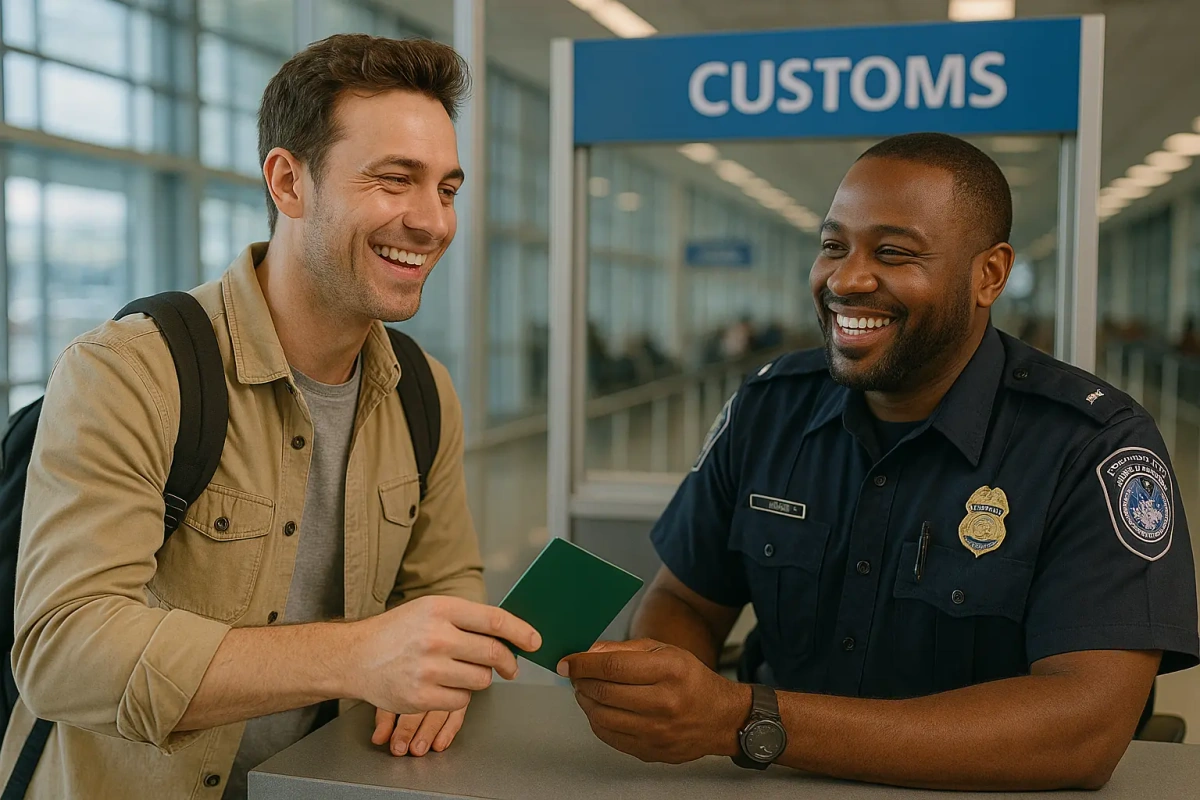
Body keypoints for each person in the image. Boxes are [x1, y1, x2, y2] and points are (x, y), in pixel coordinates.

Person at [557, 132, 1199, 791]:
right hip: (776, 780)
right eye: (833, 246)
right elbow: (684, 597)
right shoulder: (769, 409)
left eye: (892, 253)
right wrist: (664, 685)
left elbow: (1084, 728)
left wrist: (749, 720)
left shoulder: (1093, 447)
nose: (846, 278)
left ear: (990, 275)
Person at [0, 35, 541, 799]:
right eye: (395, 180)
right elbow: (64, 651)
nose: (433, 222)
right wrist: (358, 655)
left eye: (447, 190)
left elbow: (445, 582)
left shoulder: (424, 391)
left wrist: (440, 673)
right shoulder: (129, 372)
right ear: (289, 182)